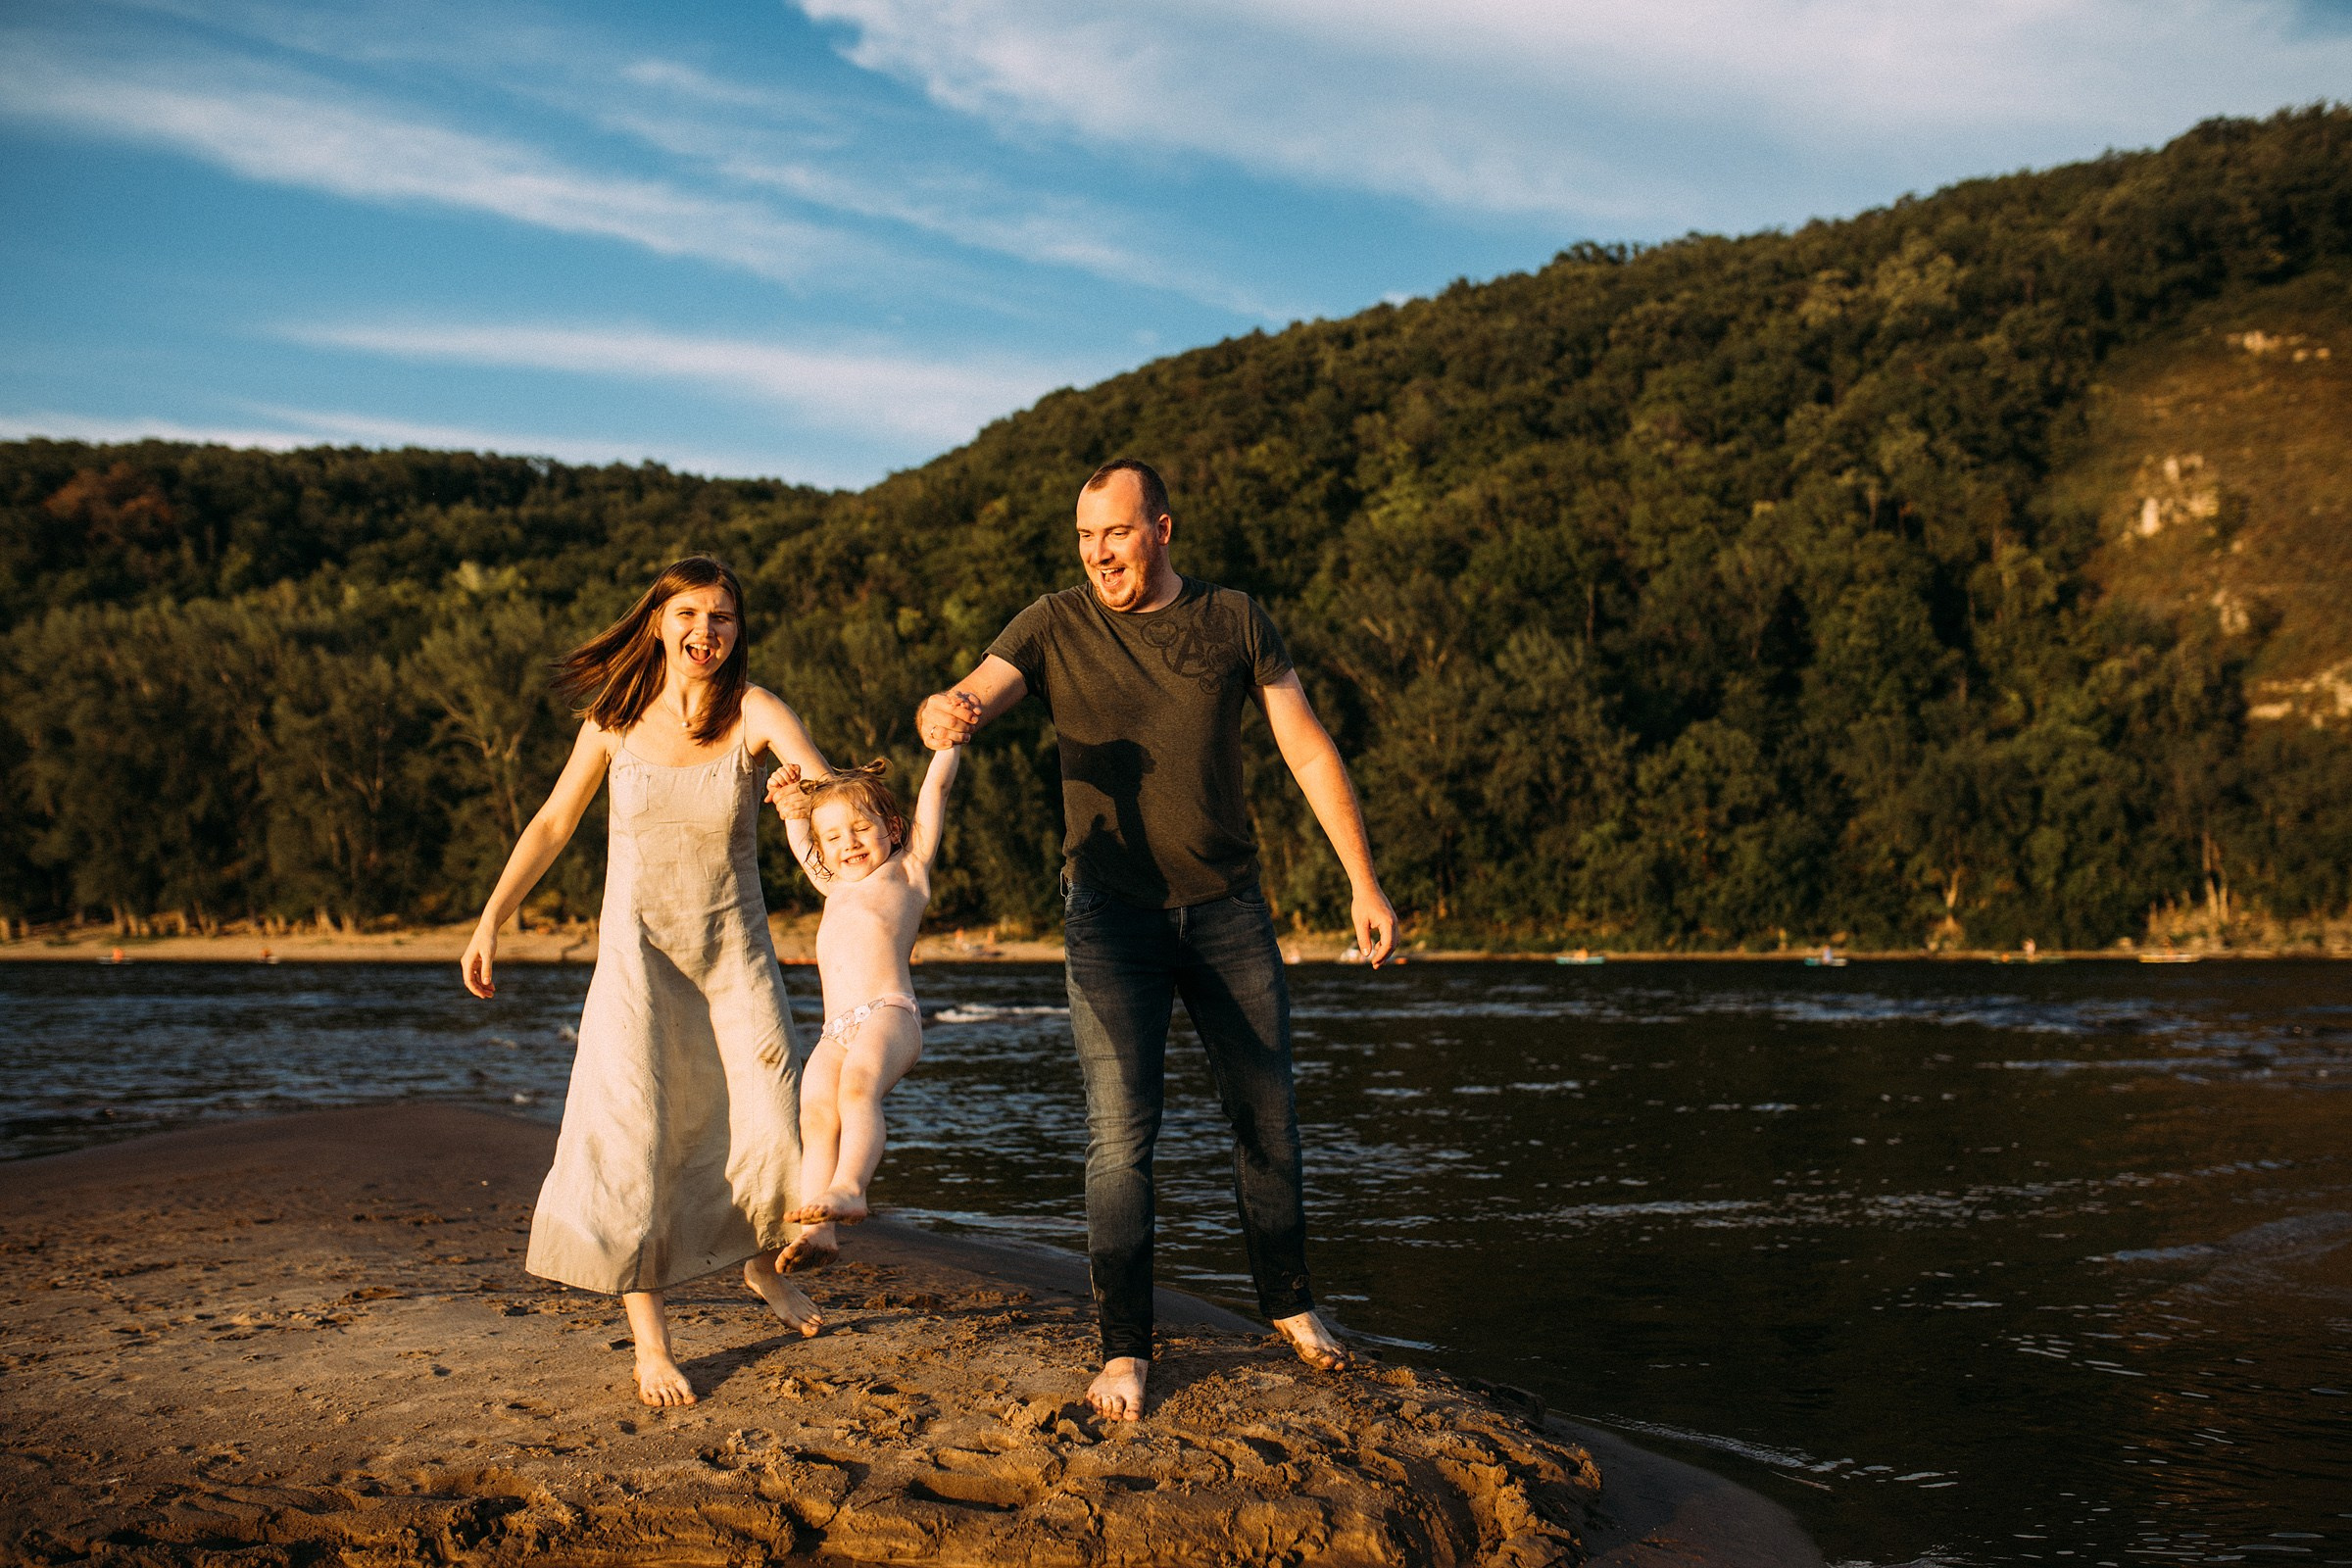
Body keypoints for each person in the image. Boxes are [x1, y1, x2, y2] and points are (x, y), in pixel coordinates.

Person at [915, 459, 1398, 1423]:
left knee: (1268, 1119)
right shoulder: (1053, 622)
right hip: (1109, 917)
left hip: (1229, 910)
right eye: (1087, 538)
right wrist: (947, 711)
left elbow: (1305, 746)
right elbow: (975, 690)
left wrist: (1361, 877)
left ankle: (1292, 1305)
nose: (1100, 555)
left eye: (1119, 533)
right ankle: (1127, 1349)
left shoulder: (1235, 619)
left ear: (1163, 529)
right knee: (1120, 1137)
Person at [461, 556, 831, 1407]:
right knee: (637, 1139)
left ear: (740, 630)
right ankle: (651, 1346)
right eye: (691, 615)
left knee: (772, 1123)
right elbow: (554, 822)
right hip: (637, 961)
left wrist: (814, 821)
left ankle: (762, 1269)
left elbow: (820, 792)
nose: (708, 632)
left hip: (733, 954)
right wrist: (492, 917)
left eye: (724, 617)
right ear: (659, 622)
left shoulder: (756, 712)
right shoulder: (614, 719)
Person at [764, 739, 966, 1269]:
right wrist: (790, 805)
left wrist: (949, 747)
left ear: (891, 831)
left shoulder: (908, 870)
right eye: (833, 836)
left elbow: (935, 791)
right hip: (837, 1029)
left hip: (889, 1012)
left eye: (861, 829)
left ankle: (851, 1187)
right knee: (813, 1112)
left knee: (857, 1091)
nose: (848, 843)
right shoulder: (831, 885)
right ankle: (819, 1231)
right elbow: (799, 837)